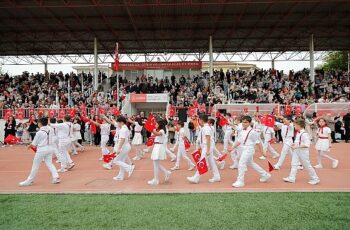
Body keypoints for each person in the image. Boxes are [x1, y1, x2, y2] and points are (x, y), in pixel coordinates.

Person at [231, 115, 271, 188]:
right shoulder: (242, 130)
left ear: (249, 123)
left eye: (245, 122)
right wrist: (232, 147)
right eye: (243, 122)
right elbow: (239, 141)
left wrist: (263, 152)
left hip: (249, 149)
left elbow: (258, 143)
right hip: (244, 148)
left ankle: (240, 181)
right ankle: (265, 174)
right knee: (251, 163)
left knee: (241, 163)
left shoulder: (252, 132)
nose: (243, 123)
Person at [19, 117, 60, 186]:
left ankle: (29, 180)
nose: (37, 123)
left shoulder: (39, 133)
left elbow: (33, 144)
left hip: (42, 150)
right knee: (49, 164)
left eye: (38, 122)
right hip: (50, 148)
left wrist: (28, 146)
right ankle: (56, 177)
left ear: (40, 123)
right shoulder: (50, 129)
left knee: (35, 165)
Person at [283, 119, 320, 185]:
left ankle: (315, 178)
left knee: (307, 165)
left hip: (303, 152)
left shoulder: (304, 134)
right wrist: (294, 144)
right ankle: (292, 178)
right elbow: (298, 142)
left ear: (299, 125)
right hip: (296, 151)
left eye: (295, 125)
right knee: (294, 164)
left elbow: (307, 145)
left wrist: (297, 146)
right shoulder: (298, 132)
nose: (294, 126)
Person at [187, 114, 221, 184]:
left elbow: (208, 139)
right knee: (211, 162)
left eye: (199, 120)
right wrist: (200, 147)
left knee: (202, 161)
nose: (198, 121)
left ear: (201, 121)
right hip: (205, 147)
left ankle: (196, 178)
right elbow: (204, 139)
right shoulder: (204, 128)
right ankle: (217, 176)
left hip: (207, 147)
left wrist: (208, 150)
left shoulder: (206, 128)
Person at [108, 116, 135, 181]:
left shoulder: (123, 129)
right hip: (126, 146)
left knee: (116, 160)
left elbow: (122, 139)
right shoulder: (125, 128)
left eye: (118, 122)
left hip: (124, 146)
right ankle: (120, 176)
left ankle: (129, 167)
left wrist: (118, 148)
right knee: (121, 161)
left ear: (121, 122)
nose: (117, 124)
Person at [148, 118, 172, 185]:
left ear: (160, 124)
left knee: (156, 164)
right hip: (157, 146)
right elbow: (155, 133)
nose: (155, 124)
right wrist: (152, 128)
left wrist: (151, 128)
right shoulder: (159, 130)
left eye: (156, 123)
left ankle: (156, 179)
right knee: (156, 164)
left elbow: (157, 134)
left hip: (159, 147)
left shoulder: (162, 130)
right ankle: (166, 173)